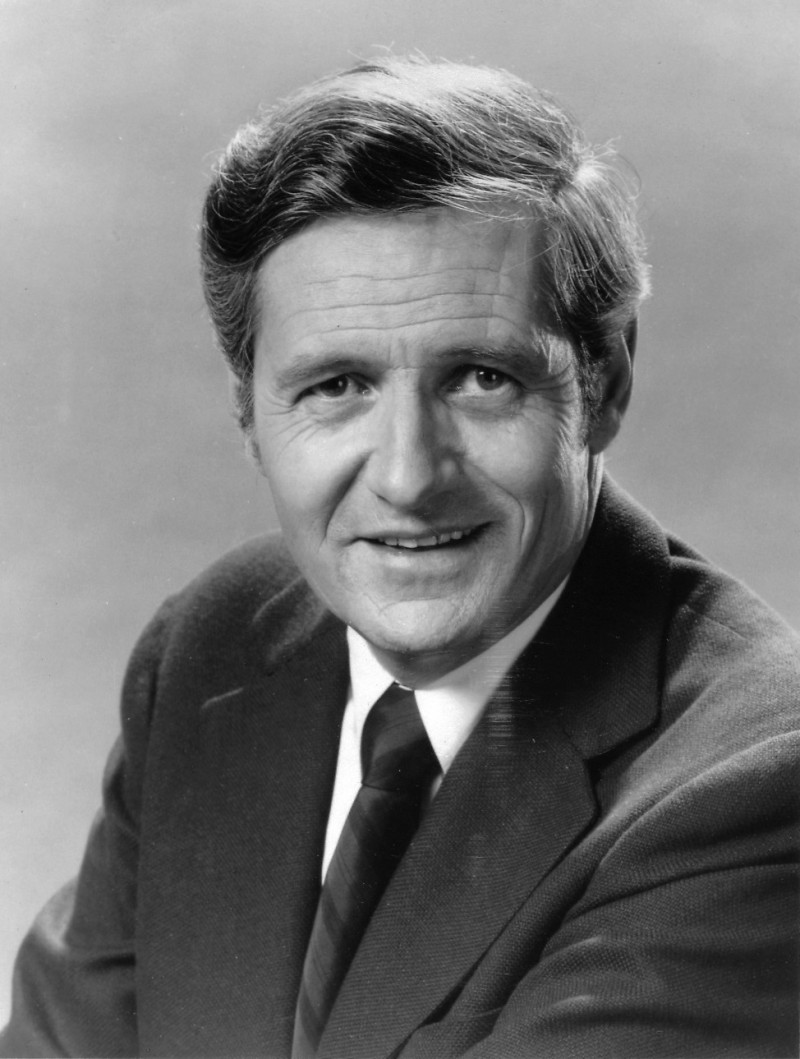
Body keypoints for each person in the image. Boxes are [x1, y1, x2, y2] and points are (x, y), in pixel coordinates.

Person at [1, 56, 797, 1059]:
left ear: (603, 382)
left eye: (480, 377)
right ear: (249, 416)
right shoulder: (212, 647)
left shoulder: (751, 787)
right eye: (336, 387)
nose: (410, 477)